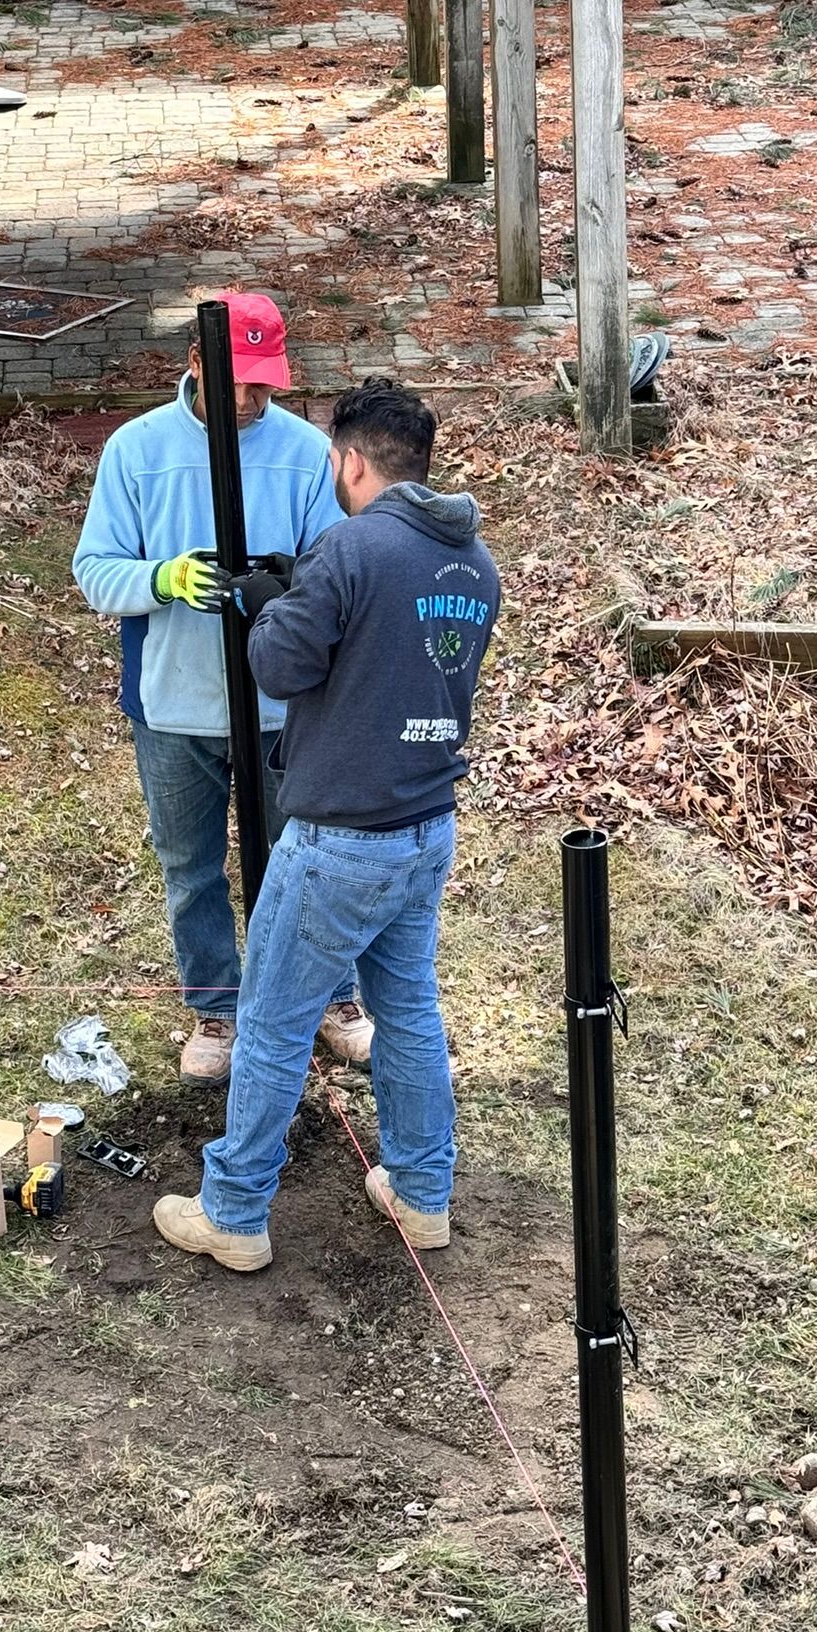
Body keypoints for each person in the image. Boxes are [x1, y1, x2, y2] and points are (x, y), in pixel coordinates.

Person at [153, 379, 501, 1271]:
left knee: (272, 1022)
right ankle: (423, 1195)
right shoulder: (474, 564)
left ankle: (234, 1212)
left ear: (348, 461)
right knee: (409, 1011)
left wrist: (269, 603)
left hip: (340, 838)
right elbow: (387, 659)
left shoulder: (349, 549)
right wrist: (302, 590)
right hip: (426, 825)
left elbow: (278, 667)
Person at [73, 291, 375, 1084]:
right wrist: (163, 579)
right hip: (173, 704)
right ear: (197, 362)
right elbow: (95, 570)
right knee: (191, 865)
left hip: (285, 706)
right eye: (236, 380)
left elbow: (339, 567)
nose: (250, 398)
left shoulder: (305, 452)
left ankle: (332, 996)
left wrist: (287, 585)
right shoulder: (137, 451)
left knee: (306, 858)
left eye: (264, 382)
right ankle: (217, 1007)